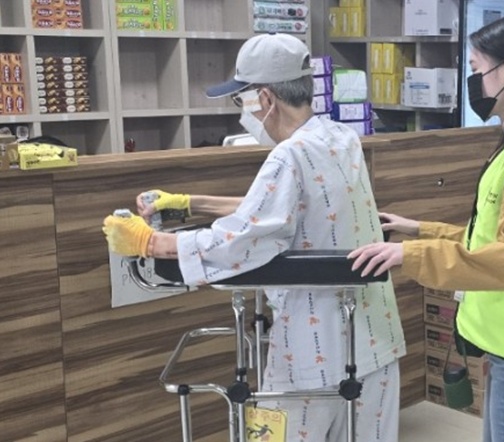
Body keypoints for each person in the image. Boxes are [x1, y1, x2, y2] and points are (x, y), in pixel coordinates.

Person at [103, 33, 406, 442]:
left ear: (264, 98)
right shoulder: (340, 138)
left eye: (240, 99)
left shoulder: (288, 155)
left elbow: (244, 239)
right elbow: (287, 208)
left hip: (315, 351)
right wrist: (190, 203)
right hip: (375, 340)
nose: (241, 111)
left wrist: (150, 243)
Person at [349, 15, 504, 442]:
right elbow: (490, 239)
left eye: (478, 69)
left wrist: (410, 256)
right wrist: (418, 230)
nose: (474, 82)